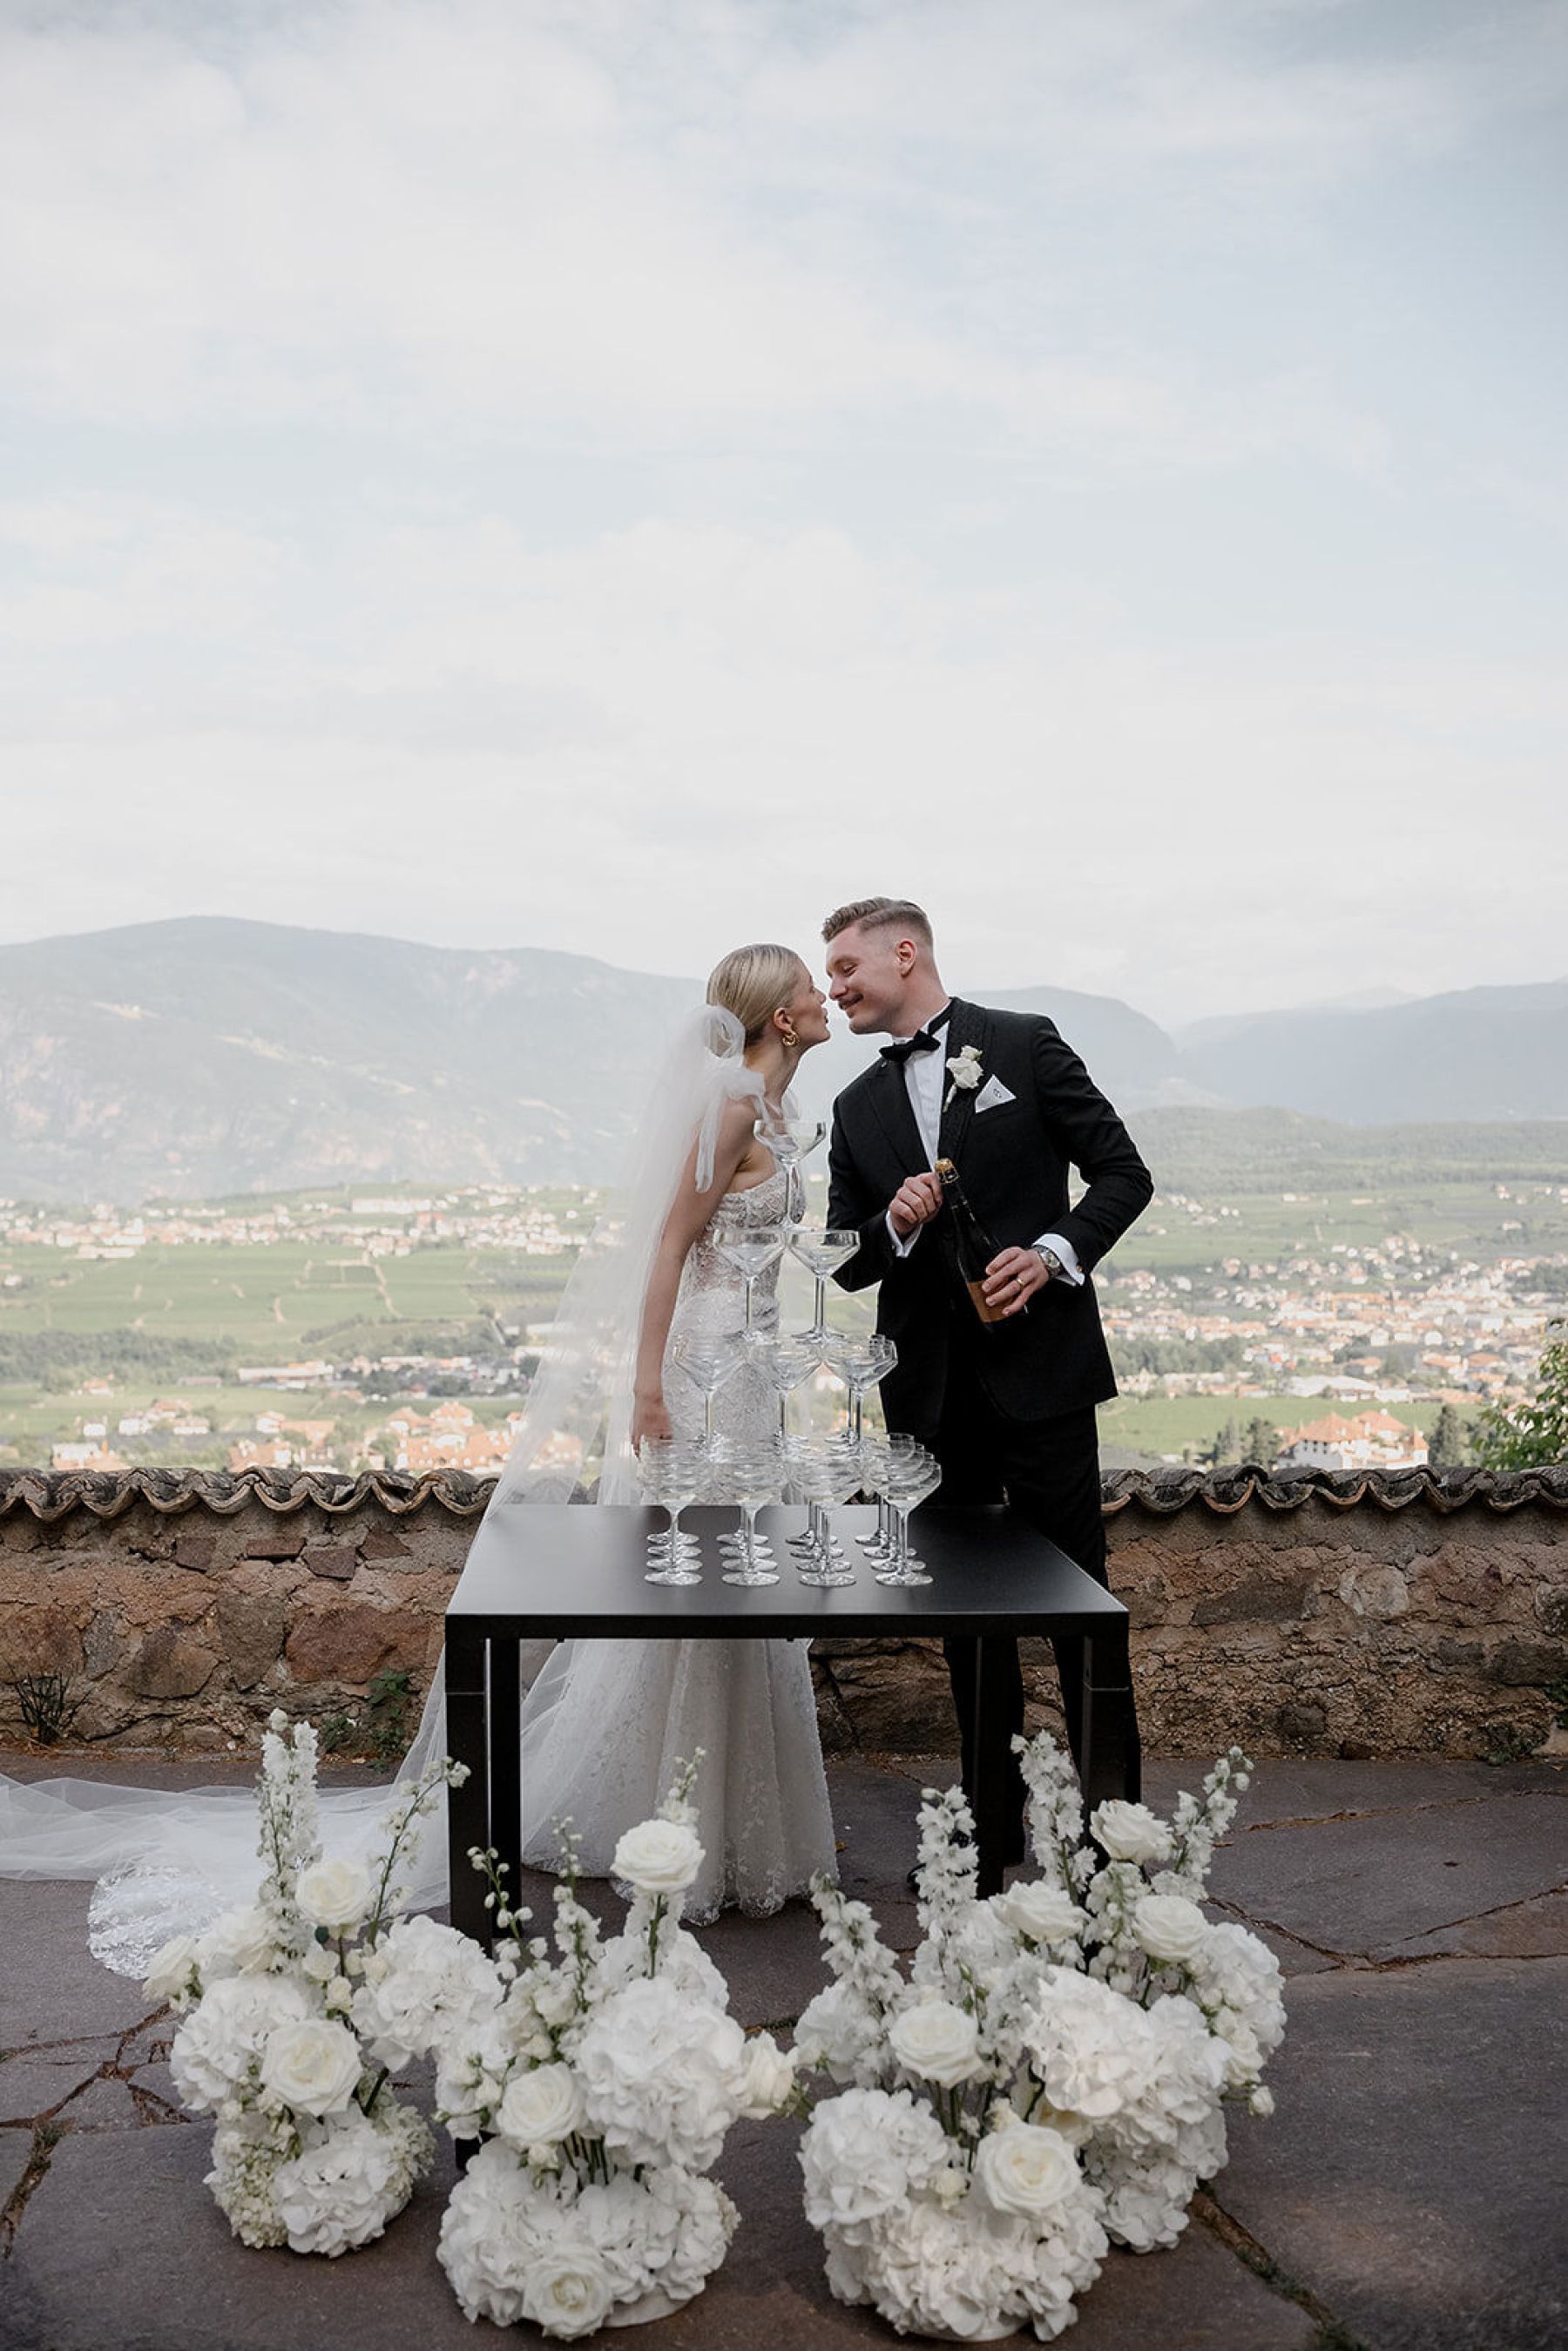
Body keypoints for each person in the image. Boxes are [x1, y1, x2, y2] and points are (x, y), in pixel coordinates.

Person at [0, 944, 838, 1964]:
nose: (822, 993)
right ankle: (687, 1830)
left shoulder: (779, 1110)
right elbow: (667, 1246)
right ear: (781, 1015)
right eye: (809, 981)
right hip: (707, 1368)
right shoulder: (733, 1108)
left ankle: (747, 1824)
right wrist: (651, 1387)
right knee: (700, 1578)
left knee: (741, 1582)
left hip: (754, 1374)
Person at [821, 895, 1152, 1856]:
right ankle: (993, 1836)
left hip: (1042, 1377)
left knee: (1083, 1608)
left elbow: (1123, 1173)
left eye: (846, 968)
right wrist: (898, 1219)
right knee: (968, 1631)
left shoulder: (1025, 1042)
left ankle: (1114, 1834)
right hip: (926, 1401)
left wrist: (1053, 1252)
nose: (835, 987)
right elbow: (849, 1257)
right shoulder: (855, 1106)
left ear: (905, 952)